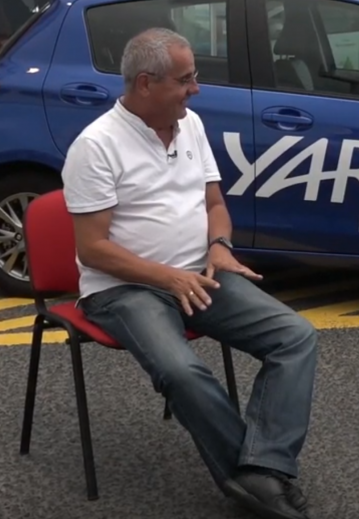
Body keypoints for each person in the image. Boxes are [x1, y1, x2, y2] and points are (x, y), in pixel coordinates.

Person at [61, 27, 318, 519]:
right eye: (185, 80)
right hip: (124, 290)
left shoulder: (191, 125)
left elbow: (215, 205)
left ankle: (261, 469)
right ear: (145, 84)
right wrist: (168, 278)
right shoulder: (95, 146)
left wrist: (220, 246)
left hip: (199, 275)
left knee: (296, 337)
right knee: (181, 371)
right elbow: (93, 250)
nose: (195, 89)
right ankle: (257, 481)